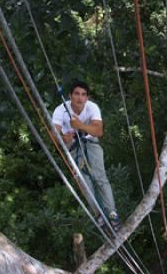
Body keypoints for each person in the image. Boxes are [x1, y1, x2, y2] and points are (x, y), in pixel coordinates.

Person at [52, 80, 121, 231]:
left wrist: (80, 126)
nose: (80, 98)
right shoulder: (60, 110)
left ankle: (112, 214)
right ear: (70, 96)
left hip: (90, 143)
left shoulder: (92, 107)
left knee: (100, 177)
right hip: (73, 147)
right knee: (85, 183)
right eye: (76, 94)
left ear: (87, 98)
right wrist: (64, 139)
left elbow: (99, 131)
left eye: (83, 95)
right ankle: (99, 214)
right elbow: (54, 134)